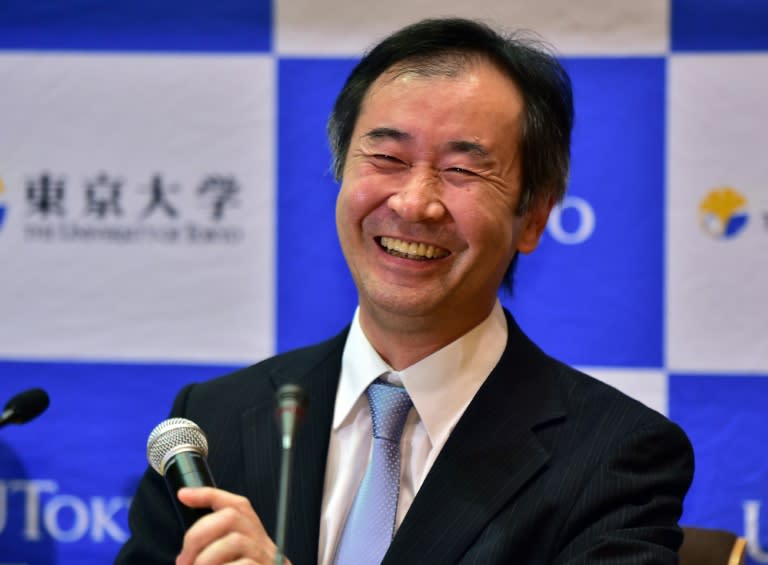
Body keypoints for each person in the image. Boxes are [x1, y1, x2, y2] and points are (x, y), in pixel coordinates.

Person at [116, 17, 694, 565]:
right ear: (342, 172)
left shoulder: (614, 458)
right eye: (388, 157)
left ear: (534, 217)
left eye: (463, 170)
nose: (415, 202)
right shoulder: (213, 424)